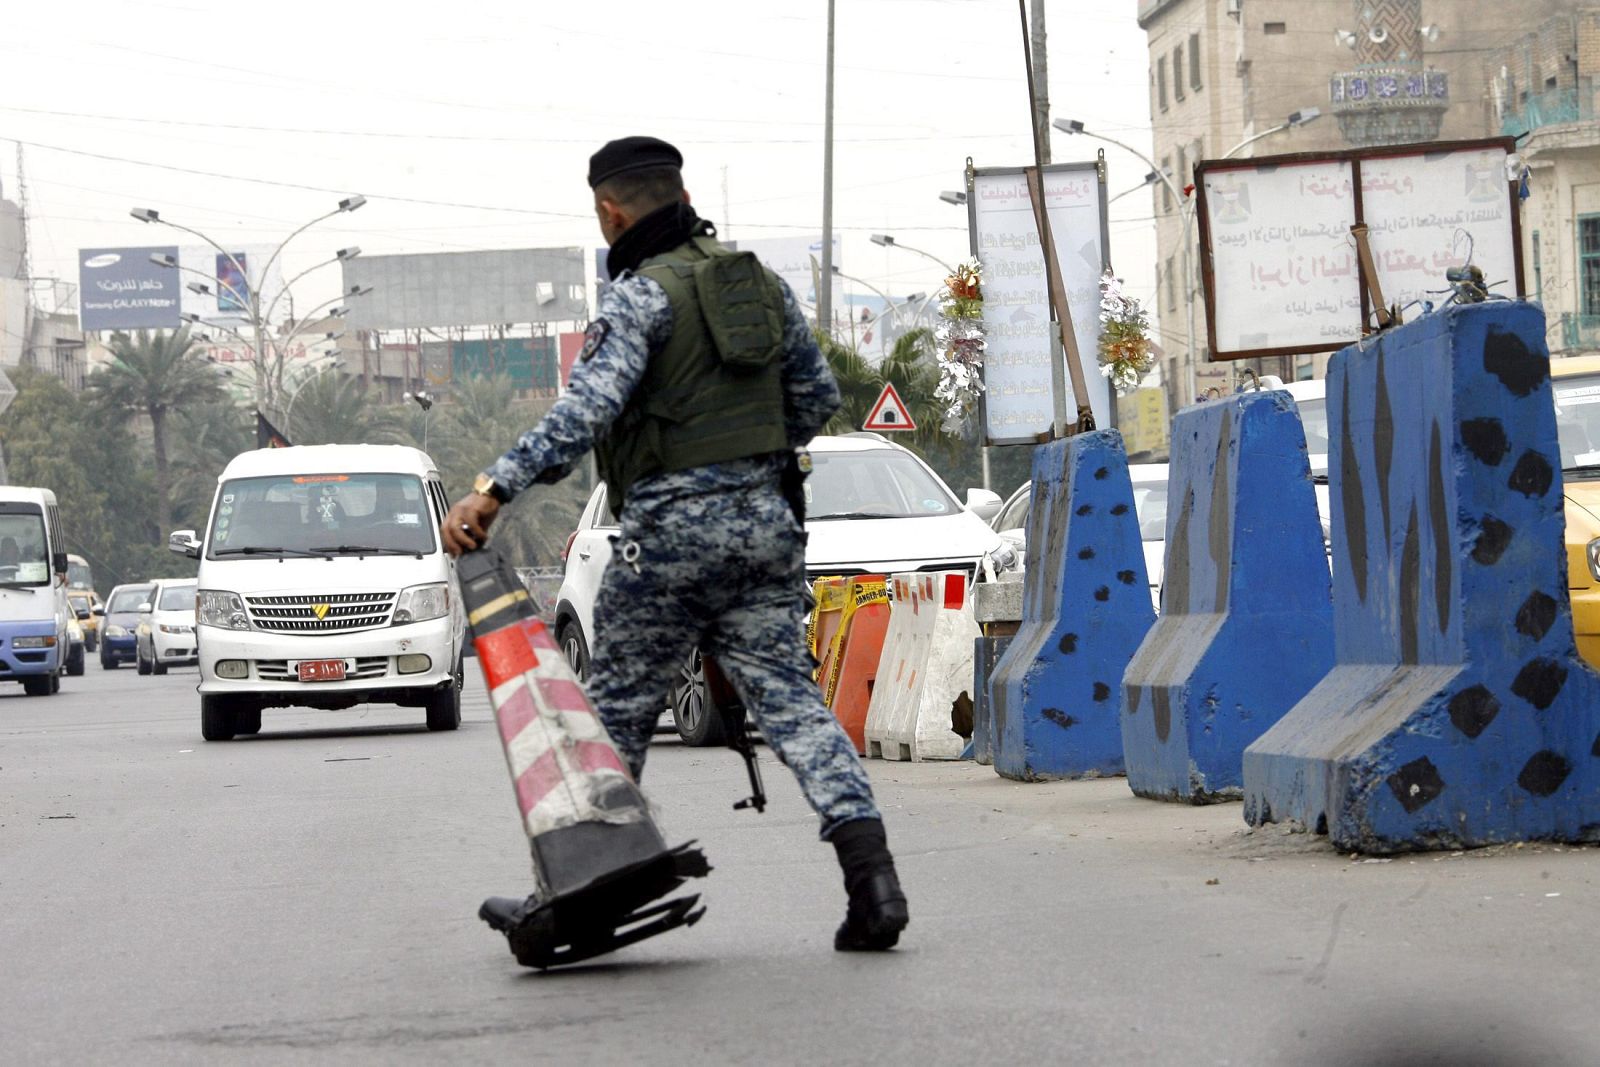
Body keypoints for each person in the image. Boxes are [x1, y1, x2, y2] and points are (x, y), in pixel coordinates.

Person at [442, 135, 908, 952]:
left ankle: (586, 887)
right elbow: (818, 394)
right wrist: (746, 464)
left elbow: (586, 413)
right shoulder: (756, 284)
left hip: (667, 538)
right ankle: (874, 882)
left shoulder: (638, 298)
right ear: (680, 196)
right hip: (765, 527)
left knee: (612, 712)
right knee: (794, 704)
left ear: (609, 211)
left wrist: (493, 488)